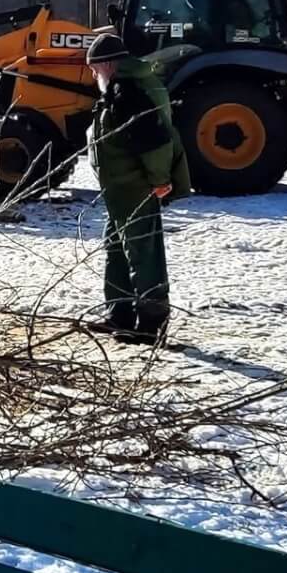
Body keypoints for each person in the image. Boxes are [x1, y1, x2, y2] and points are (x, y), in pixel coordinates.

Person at [84, 32, 189, 345]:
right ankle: (120, 316)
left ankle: (151, 322)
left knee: (144, 253)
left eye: (93, 69)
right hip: (120, 189)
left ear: (107, 65)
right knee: (116, 250)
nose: (92, 75)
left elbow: (153, 142)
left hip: (136, 185)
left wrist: (159, 181)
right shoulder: (124, 87)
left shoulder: (128, 91)